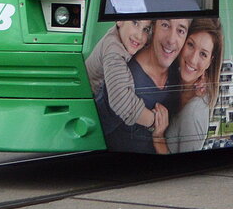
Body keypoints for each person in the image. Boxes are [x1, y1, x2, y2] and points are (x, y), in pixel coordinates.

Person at [96, 18, 189, 153]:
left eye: (180, 31)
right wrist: (155, 122)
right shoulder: (122, 75)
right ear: (155, 28)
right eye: (165, 25)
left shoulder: (175, 70)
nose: (171, 40)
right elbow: (119, 105)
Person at [153, 18, 223, 154]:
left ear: (210, 62)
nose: (193, 59)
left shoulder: (194, 112)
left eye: (203, 54)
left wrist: (158, 137)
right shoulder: (174, 79)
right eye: (190, 45)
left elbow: (184, 166)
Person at [85, 19, 159, 131]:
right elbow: (120, 100)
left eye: (146, 29)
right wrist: (153, 121)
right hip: (89, 109)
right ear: (120, 20)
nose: (139, 36)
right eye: (135, 23)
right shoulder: (113, 50)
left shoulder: (122, 35)